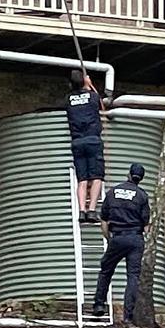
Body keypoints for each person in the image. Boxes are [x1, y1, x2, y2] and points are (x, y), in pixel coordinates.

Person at [93, 163, 150, 323]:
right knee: (133, 276)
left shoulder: (113, 192)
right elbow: (146, 227)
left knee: (106, 269)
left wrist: (110, 239)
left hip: (118, 237)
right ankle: (127, 317)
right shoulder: (142, 196)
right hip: (135, 238)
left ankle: (99, 305)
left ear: (129, 174)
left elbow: (103, 221)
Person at [65, 69, 104, 224]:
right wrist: (89, 85)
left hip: (77, 142)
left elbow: (80, 97)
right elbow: (99, 104)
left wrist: (83, 85)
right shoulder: (94, 97)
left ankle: (82, 211)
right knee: (96, 177)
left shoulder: (68, 99)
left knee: (82, 180)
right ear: (85, 81)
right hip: (93, 140)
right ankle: (92, 210)